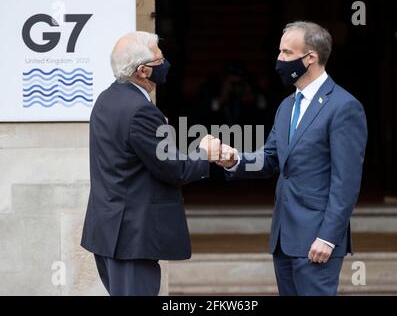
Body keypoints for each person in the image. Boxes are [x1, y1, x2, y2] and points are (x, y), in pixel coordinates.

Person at [216, 21, 368, 296]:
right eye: (279, 51)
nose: (279, 60)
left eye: (287, 53)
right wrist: (234, 160)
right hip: (284, 239)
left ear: (310, 58)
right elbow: (272, 158)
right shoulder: (287, 105)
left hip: (317, 241)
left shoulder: (344, 107)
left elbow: (346, 182)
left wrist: (328, 237)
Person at [80, 31, 220, 296]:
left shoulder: (106, 99)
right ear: (143, 71)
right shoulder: (140, 110)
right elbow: (174, 168)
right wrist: (206, 152)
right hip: (132, 237)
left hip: (110, 233)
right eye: (160, 60)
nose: (165, 64)